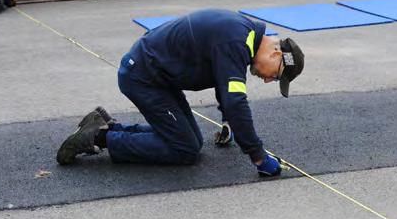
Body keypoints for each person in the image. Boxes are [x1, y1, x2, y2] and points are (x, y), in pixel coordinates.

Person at [56, 9, 305, 177]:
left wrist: (227, 119)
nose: (269, 80)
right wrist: (259, 157)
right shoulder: (236, 42)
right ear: (275, 54)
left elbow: (226, 80)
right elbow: (235, 99)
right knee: (184, 149)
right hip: (144, 78)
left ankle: (104, 127)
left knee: (190, 142)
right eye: (277, 75)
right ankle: (100, 138)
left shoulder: (244, 34)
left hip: (157, 77)